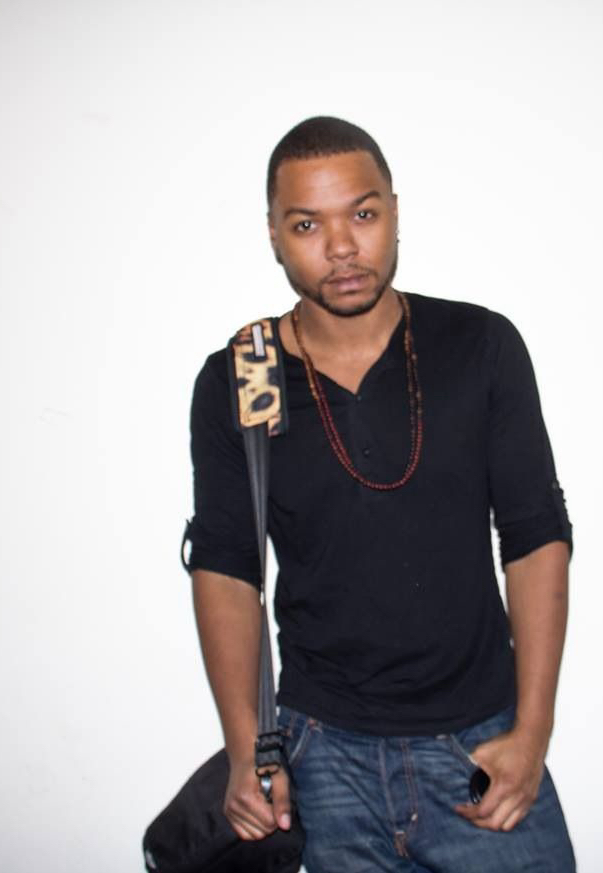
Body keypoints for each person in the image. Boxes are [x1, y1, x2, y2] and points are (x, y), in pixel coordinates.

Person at [186, 116, 576, 872]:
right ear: (274, 235)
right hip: (322, 759)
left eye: (362, 214)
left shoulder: (478, 346)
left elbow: (535, 539)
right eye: (307, 224)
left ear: (394, 212)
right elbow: (228, 571)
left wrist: (533, 733)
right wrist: (247, 752)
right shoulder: (246, 373)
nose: (341, 247)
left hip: (480, 748)